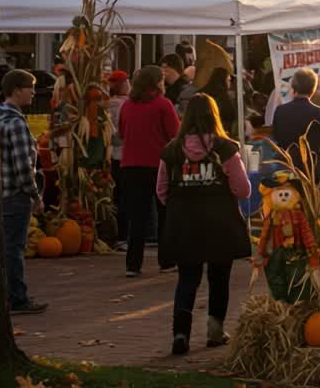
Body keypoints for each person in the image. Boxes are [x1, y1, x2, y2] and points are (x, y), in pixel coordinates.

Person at [156, 94, 251, 355]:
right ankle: (215, 330)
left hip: (184, 224)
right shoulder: (226, 148)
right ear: (215, 115)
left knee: (187, 278)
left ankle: (180, 333)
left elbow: (162, 191)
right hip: (220, 223)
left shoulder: (171, 150)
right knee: (219, 278)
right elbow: (243, 189)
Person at [119, 65, 181, 277]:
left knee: (137, 216)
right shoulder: (163, 104)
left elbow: (121, 132)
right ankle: (166, 260)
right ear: (157, 83)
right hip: (158, 165)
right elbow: (175, 134)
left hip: (130, 165)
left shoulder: (127, 106)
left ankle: (133, 264)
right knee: (164, 213)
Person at [0, 70, 47, 314]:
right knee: (14, 248)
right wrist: (35, 195)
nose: (34, 92)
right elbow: (23, 167)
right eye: (30, 87)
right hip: (15, 195)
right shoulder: (16, 123)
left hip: (2, 191)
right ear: (17, 90)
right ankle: (18, 298)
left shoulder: (0, 118)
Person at [270, 68, 320, 178]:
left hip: (286, 166)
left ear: (293, 87)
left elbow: (275, 138)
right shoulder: (319, 112)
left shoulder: (280, 111)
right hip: (312, 169)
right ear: (313, 89)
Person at [106, 69, 131, 248]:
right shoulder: (126, 105)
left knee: (115, 196)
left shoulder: (106, 104)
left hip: (111, 155)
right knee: (124, 198)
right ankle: (122, 235)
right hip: (125, 155)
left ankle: (115, 234)